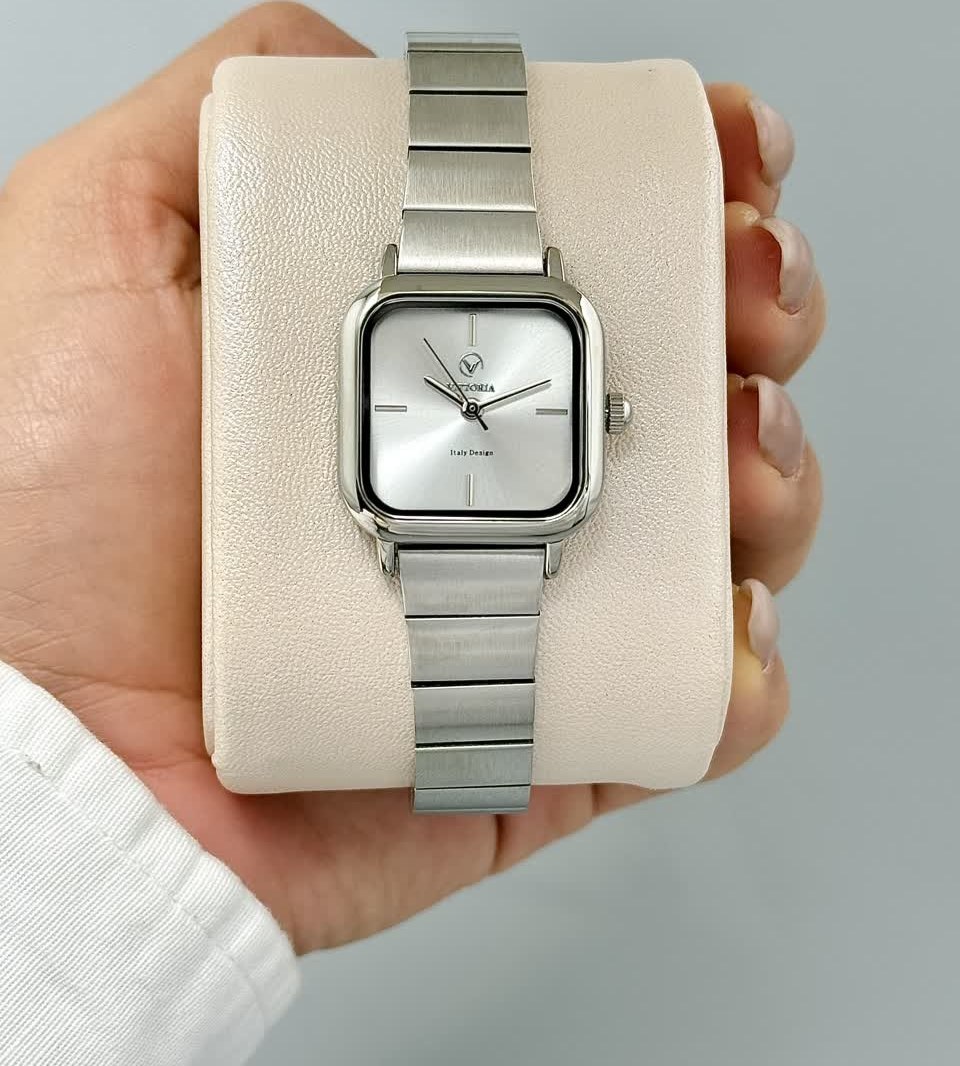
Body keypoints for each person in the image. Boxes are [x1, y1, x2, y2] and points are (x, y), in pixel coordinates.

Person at [0, 4, 825, 1063]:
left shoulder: (516, 398)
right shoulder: (405, 389)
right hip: (424, 521)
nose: (471, 412)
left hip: (515, 520)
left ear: (600, 407)